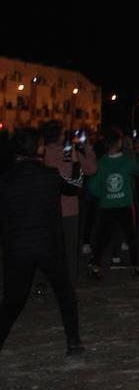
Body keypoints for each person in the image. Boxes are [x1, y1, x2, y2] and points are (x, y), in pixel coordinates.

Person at [0, 128, 84, 356]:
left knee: (12, 302)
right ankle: (74, 343)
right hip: (49, 246)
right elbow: (75, 187)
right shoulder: (50, 175)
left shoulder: (6, 179)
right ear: (38, 148)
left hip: (18, 248)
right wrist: (75, 163)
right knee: (65, 294)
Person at [41, 120, 96, 285]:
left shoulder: (42, 154)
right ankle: (69, 282)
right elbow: (91, 169)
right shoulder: (68, 152)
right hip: (69, 208)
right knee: (70, 248)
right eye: (63, 133)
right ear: (58, 136)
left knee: (51, 247)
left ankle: (52, 280)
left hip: (48, 208)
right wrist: (86, 147)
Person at [87, 128, 139, 278]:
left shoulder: (101, 163)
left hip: (107, 206)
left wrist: (105, 195)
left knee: (101, 237)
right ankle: (136, 266)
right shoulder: (127, 162)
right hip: (125, 205)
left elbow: (93, 186)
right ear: (119, 143)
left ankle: (95, 266)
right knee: (131, 236)